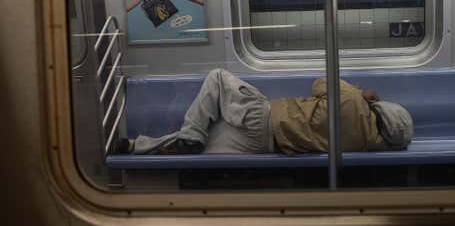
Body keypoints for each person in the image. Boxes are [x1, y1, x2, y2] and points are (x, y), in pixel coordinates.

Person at [118, 69, 413, 155]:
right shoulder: (366, 144)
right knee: (199, 143)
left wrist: (362, 94)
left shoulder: (352, 102)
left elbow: (320, 84)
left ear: (380, 109)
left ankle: (191, 133)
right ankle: (136, 147)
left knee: (218, 77)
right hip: (267, 145)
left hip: (262, 116)